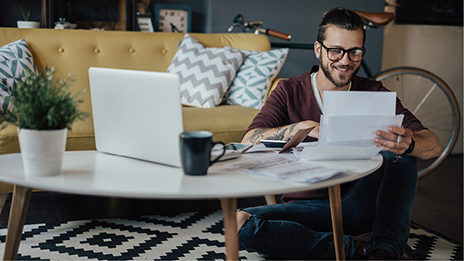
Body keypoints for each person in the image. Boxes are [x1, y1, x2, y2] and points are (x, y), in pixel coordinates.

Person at [237, 7, 441, 260]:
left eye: (355, 52)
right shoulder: (288, 90)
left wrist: (409, 144)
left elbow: (433, 145)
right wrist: (303, 127)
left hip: (356, 205)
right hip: (307, 208)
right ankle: (355, 249)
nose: (345, 60)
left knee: (400, 155)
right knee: (239, 224)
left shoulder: (374, 92)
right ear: (318, 50)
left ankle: (384, 251)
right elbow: (249, 139)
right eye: (335, 51)